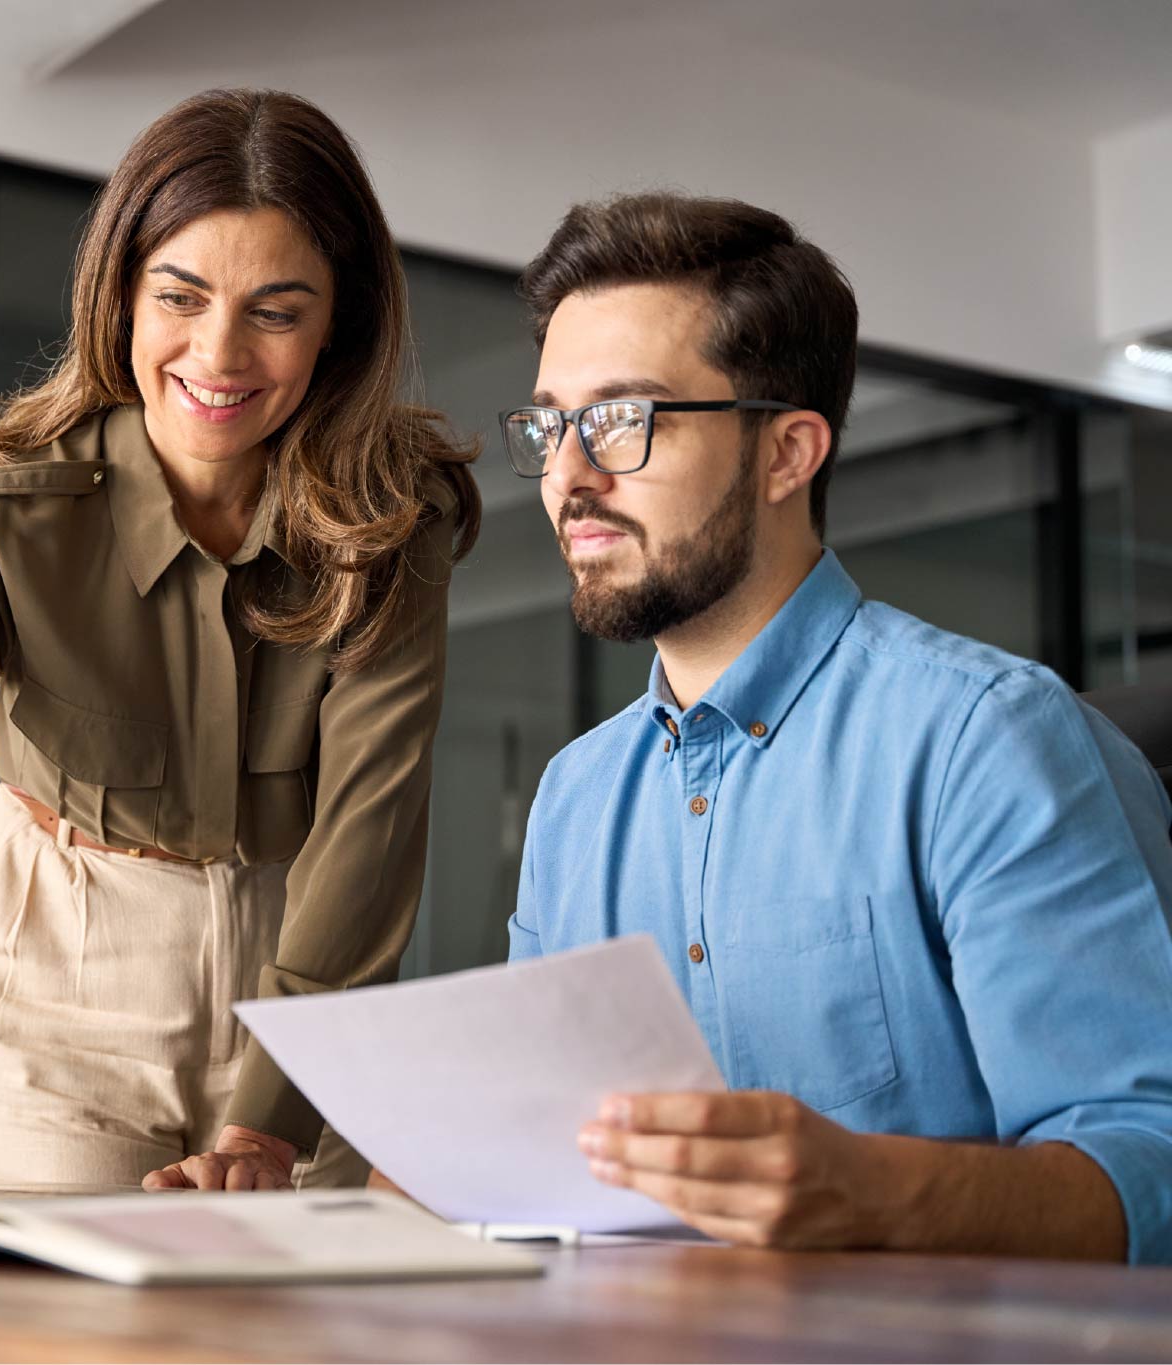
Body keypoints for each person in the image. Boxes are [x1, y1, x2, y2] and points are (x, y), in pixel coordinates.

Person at [0, 88, 479, 1192]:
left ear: (338, 324)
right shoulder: (12, 515)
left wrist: (268, 1126)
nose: (220, 351)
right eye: (181, 295)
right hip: (61, 968)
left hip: (309, 966)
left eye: (278, 309)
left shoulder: (396, 521)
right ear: (120, 296)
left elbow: (371, 828)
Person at [501, 192, 1172, 1261]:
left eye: (621, 422)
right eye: (549, 425)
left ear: (787, 454)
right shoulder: (574, 802)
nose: (567, 477)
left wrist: (880, 1195)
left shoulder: (988, 742)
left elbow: (1152, 1160)